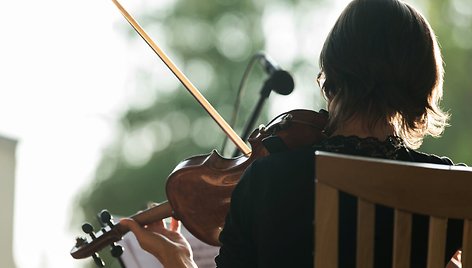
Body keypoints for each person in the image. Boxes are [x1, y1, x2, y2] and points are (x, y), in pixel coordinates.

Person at [120, 0, 465, 267]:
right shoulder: (451, 189)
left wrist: (178, 261)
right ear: (423, 83)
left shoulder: (270, 180)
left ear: (332, 76)